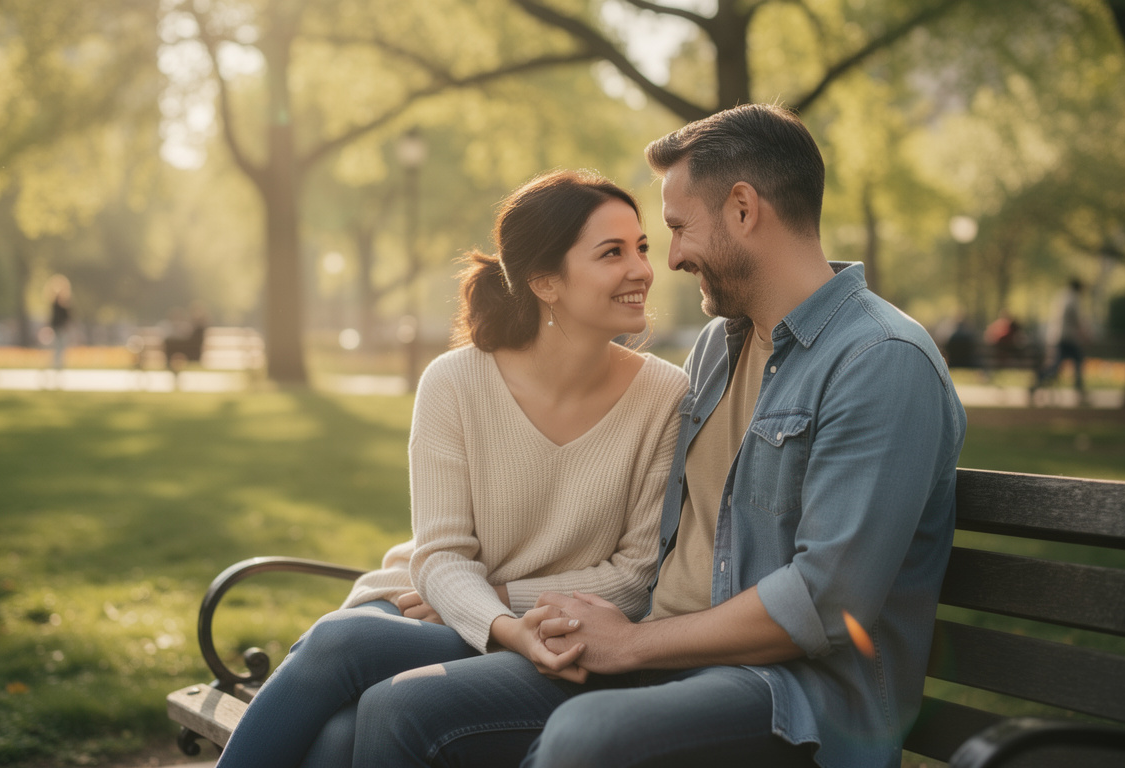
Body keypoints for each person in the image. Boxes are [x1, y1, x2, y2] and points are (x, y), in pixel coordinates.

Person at [354, 104, 966, 768]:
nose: (669, 258)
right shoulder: (717, 348)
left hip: (795, 697)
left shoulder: (879, 359)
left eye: (676, 229)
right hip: (662, 656)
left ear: (742, 209)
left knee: (584, 739)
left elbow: (825, 604)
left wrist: (630, 645)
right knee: (398, 706)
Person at [213, 170, 688, 768]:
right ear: (545, 281)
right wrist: (494, 618)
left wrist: (496, 600)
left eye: (641, 247)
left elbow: (635, 575)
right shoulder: (455, 382)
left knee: (343, 721)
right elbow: (439, 557)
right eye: (612, 252)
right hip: (422, 604)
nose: (643, 268)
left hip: (545, 630)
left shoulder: (665, 397)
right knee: (342, 662)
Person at [1035, 278, 1089, 399]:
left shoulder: (1062, 296)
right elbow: (1076, 321)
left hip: (1058, 336)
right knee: (1077, 360)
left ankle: (1039, 379)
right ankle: (1079, 387)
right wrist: (1085, 335)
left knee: (1057, 364)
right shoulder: (1073, 299)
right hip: (1067, 338)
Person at [45, 274, 73, 371]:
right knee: (57, 348)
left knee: (61, 349)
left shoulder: (65, 303)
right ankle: (56, 367)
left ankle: (59, 367)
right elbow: (53, 318)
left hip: (62, 328)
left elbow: (68, 317)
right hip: (57, 329)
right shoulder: (55, 304)